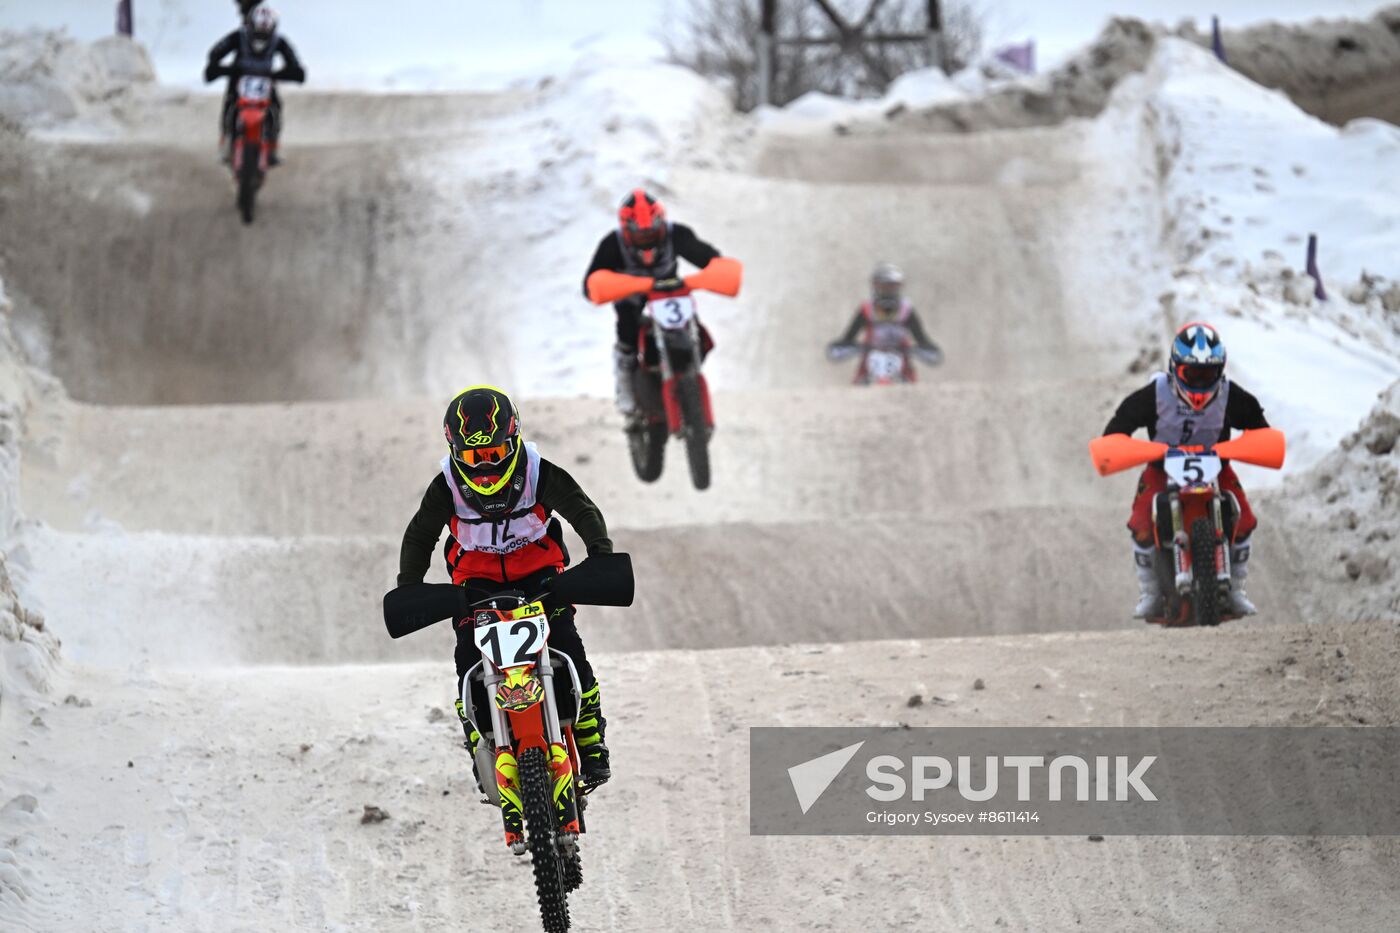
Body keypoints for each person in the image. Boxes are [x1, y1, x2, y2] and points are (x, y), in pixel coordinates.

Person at [396, 386, 612, 793]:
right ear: (457, 453)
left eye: (493, 454)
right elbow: (419, 535)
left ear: (512, 443)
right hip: (475, 585)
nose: (485, 467)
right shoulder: (445, 487)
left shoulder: (537, 471)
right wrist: (409, 585)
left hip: (541, 577)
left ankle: (591, 740)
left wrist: (600, 553)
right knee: (466, 659)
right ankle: (478, 738)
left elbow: (581, 508)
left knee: (569, 646)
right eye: (474, 458)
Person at [1101, 322, 1268, 618]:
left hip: (1216, 466)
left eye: (1209, 374)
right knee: (1140, 521)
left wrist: (1255, 442)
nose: (1201, 383)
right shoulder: (1155, 394)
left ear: (1220, 371)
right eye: (1193, 374)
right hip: (1162, 467)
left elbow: (1260, 428)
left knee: (1245, 517)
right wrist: (1118, 442)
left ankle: (1237, 589)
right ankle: (1150, 592)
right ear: (1175, 369)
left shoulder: (1231, 396)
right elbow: (1118, 426)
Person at [583, 189, 724, 414]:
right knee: (626, 334)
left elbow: (710, 257)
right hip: (632, 298)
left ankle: (688, 371)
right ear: (627, 230)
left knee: (697, 331)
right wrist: (611, 286)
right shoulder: (613, 244)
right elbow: (589, 286)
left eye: (651, 233)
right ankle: (625, 386)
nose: (646, 240)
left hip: (670, 295)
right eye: (640, 235)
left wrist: (714, 270)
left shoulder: (676, 235)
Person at [203, 5, 305, 166]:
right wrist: (218, 67)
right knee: (230, 104)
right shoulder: (238, 36)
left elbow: (294, 61)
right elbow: (216, 52)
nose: (260, 37)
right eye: (257, 32)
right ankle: (227, 141)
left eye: (265, 33)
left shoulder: (279, 41)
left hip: (266, 81)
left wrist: (293, 72)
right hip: (239, 80)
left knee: (275, 108)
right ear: (250, 25)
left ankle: (272, 146)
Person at [826, 262, 944, 375]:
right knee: (860, 382)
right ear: (875, 285)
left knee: (908, 383)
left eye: (892, 286)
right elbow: (849, 336)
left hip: (902, 360)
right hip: (869, 360)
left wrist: (926, 347)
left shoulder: (906, 309)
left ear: (899, 286)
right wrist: (844, 345)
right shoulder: (867, 308)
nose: (888, 289)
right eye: (884, 285)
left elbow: (920, 337)